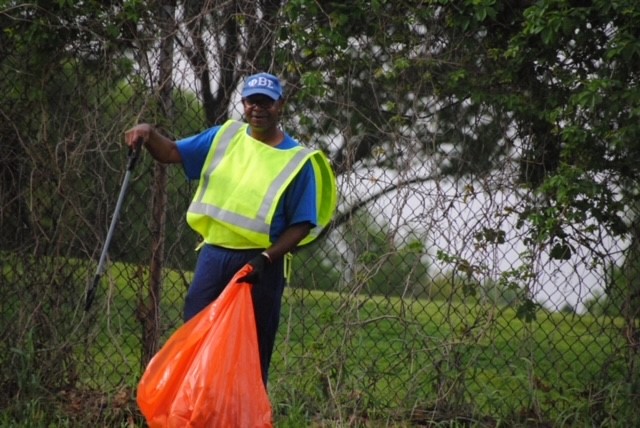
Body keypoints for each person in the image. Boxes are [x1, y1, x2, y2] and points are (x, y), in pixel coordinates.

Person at [124, 72, 337, 385]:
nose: (258, 108)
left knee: (250, 354)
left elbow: (302, 224)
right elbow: (171, 152)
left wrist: (265, 259)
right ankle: (194, 413)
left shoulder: (297, 161)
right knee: (195, 341)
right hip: (214, 257)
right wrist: (148, 133)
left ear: (281, 105)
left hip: (261, 266)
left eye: (266, 102)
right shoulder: (224, 137)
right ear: (244, 103)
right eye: (252, 101)